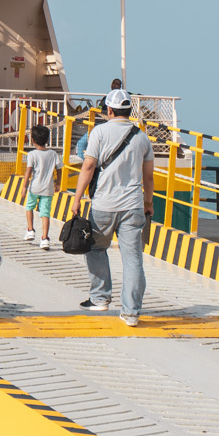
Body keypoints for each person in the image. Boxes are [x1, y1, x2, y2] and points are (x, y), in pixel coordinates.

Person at [70, 88, 154, 327]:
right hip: (133, 206)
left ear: (108, 109)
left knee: (95, 248)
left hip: (103, 205)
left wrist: (76, 198)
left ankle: (100, 297)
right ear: (129, 111)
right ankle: (131, 313)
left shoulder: (99, 132)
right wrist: (148, 203)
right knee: (133, 260)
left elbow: (88, 167)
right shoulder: (141, 137)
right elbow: (148, 177)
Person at [22, 122, 60, 250]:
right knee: (45, 213)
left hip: (34, 187)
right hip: (48, 189)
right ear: (47, 139)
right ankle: (44, 238)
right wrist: (58, 183)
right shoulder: (53, 154)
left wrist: (24, 186)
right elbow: (59, 168)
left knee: (29, 207)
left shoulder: (32, 155)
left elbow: (28, 171)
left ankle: (30, 229)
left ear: (32, 140)